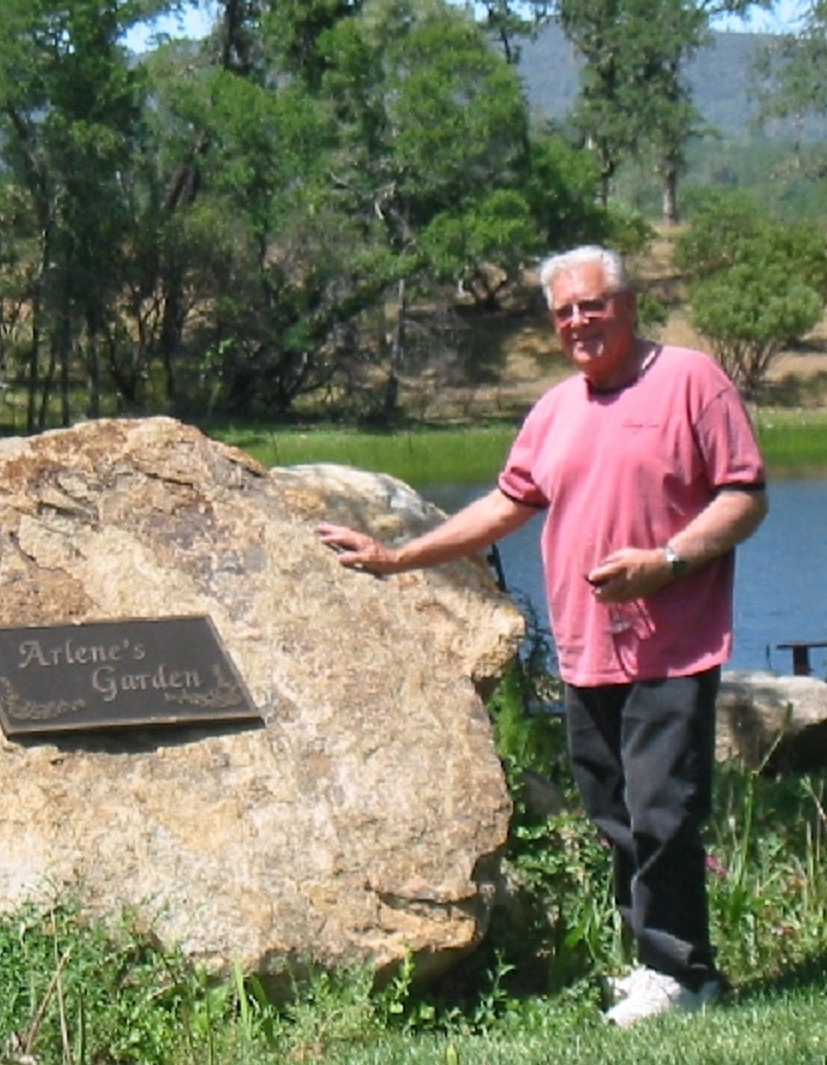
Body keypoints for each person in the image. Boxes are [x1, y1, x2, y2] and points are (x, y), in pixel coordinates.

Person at [315, 244, 768, 1027]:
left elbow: (745, 496)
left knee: (664, 810)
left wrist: (665, 561)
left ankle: (684, 974)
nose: (578, 322)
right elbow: (506, 505)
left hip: (671, 644)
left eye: (591, 305)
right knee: (616, 812)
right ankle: (655, 963)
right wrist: (398, 557)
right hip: (587, 649)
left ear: (627, 304)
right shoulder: (555, 411)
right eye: (563, 312)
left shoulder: (692, 380)